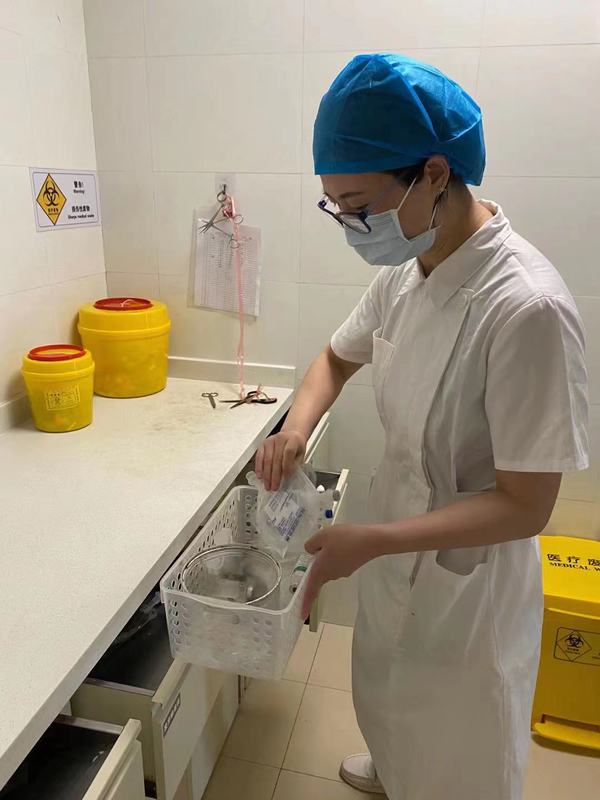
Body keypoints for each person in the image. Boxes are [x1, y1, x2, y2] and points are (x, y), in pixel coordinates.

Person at [256, 53, 589, 800]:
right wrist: (295, 430)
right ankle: (397, 768)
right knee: (388, 691)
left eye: (359, 205)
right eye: (334, 206)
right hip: (395, 535)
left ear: (434, 174)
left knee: (460, 744)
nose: (351, 225)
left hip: (471, 580)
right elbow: (335, 359)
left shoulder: (526, 308)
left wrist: (374, 540)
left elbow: (527, 505)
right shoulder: (406, 274)